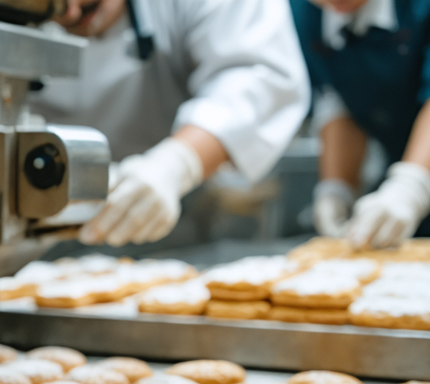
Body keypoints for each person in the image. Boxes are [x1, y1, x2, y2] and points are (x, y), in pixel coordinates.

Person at [30, 0, 310, 247]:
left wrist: (176, 166)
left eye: (90, 4)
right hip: (34, 230)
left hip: (179, 228)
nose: (72, 11)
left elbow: (257, 79)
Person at [295, 0, 430, 246]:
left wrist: (411, 185)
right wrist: (337, 189)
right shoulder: (301, 12)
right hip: (394, 188)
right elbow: (336, 98)